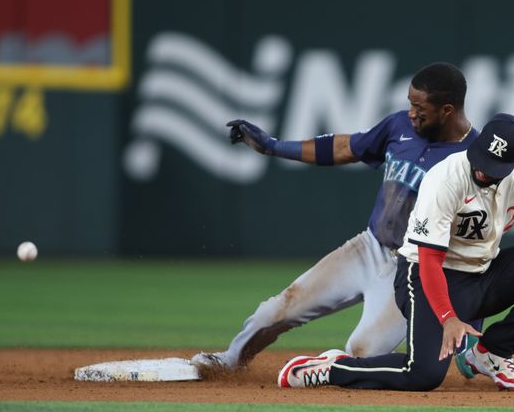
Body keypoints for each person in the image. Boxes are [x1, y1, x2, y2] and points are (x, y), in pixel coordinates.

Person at [278, 112, 514, 392]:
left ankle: (490, 352)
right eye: (483, 161)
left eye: (495, 168)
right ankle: (333, 369)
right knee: (422, 375)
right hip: (424, 278)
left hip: (482, 275)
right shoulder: (446, 177)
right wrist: (447, 318)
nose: (484, 172)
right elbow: (427, 260)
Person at [192, 62, 481, 370]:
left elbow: (480, 240)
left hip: (414, 268)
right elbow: (345, 147)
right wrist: (274, 148)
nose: (411, 113)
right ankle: (230, 361)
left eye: (419, 108)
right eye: (410, 104)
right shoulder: (400, 126)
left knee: (363, 352)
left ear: (447, 110)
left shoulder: (473, 158)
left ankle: (332, 369)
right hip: (370, 247)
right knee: (275, 311)